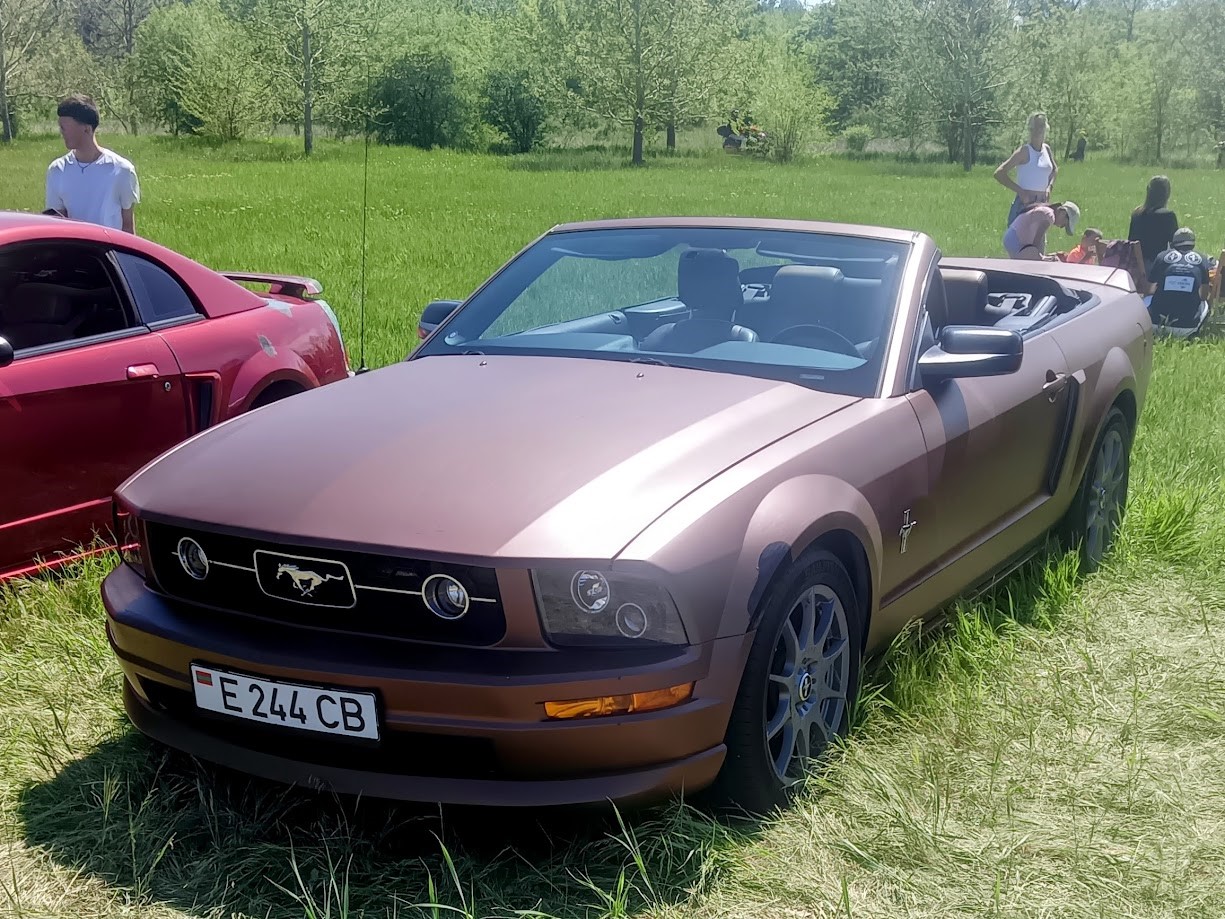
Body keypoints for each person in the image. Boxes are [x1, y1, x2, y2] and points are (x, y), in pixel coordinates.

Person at [44, 94, 140, 235]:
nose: (61, 132)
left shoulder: (121, 170)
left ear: (86, 129)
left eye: (65, 127)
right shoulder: (57, 170)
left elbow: (128, 227)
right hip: (72, 253)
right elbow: (56, 224)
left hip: (108, 254)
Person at [994, 112, 1058, 229]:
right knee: (1021, 243)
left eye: (1042, 126)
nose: (1039, 130)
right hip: (1025, 204)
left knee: (1039, 242)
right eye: (1036, 126)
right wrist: (1021, 192)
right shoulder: (1024, 151)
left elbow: (1054, 169)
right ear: (1030, 129)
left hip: (1042, 204)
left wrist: (1049, 187)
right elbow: (999, 173)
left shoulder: (1047, 149)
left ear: (1046, 128)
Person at [1145, 228, 1212, 338]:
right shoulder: (1202, 259)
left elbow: (1148, 290)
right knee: (1205, 303)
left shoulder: (1162, 256)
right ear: (1193, 244)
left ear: (1173, 244)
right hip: (1188, 328)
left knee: (1147, 298)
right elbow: (1204, 295)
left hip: (1155, 324)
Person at [1127, 175, 1177, 269]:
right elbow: (1176, 245)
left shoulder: (1136, 214)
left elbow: (1131, 240)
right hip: (1155, 267)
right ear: (1166, 194)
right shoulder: (1168, 216)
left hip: (1135, 266)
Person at [1003, 200, 1080, 261]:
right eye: (1064, 225)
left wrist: (1043, 256)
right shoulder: (1050, 216)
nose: (1060, 227)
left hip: (1012, 237)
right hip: (1017, 240)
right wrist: (1042, 258)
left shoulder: (1046, 211)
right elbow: (1037, 242)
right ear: (1063, 213)